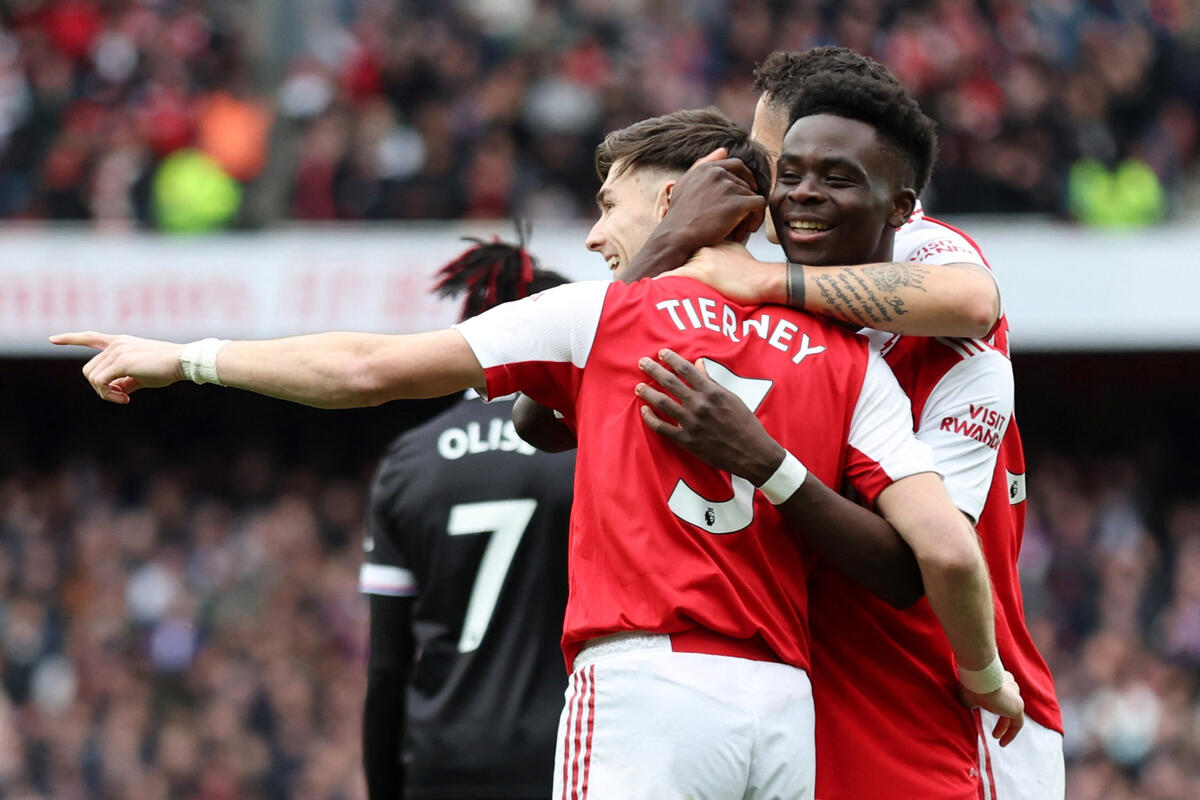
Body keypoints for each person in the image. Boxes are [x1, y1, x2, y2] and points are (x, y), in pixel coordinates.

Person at [53, 107, 1020, 800]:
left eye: (609, 203)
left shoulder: (601, 316)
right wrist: (983, 676)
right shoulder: (849, 357)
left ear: (675, 198)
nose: (594, 234)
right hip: (783, 707)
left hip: (644, 690)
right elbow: (941, 552)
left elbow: (363, 368)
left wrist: (187, 358)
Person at [628, 48, 1064, 799]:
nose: (767, 180)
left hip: (956, 698)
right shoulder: (782, 295)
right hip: (827, 686)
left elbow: (971, 302)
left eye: (769, 154)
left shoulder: (917, 246)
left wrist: (762, 279)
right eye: (782, 166)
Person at [359, 237, 575, 800]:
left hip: (444, 760)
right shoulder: (590, 449)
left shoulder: (408, 462)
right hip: (572, 753)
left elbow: (387, 668)